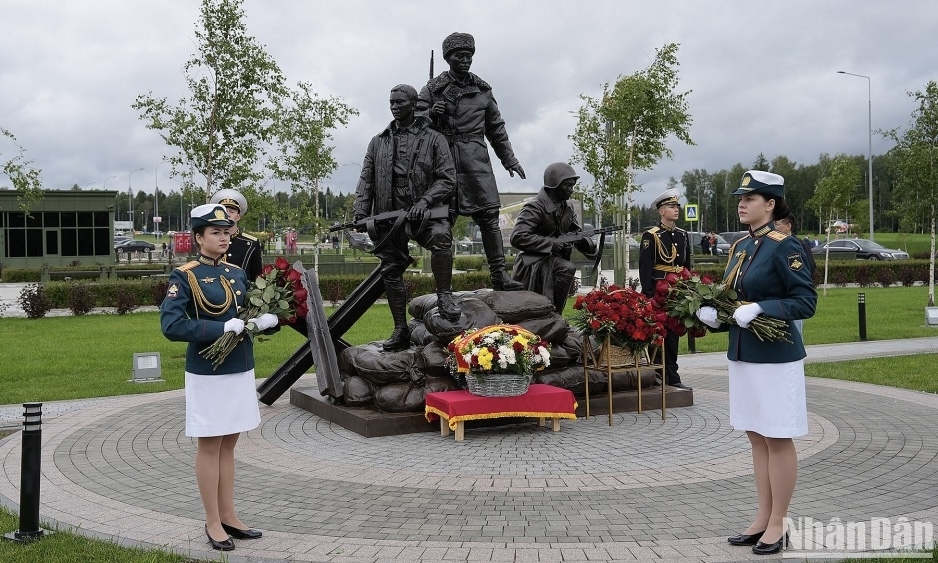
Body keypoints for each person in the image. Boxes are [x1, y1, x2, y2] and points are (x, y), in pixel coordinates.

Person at [696, 171, 817, 556]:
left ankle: (780, 522)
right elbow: (736, 300)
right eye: (740, 198)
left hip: (776, 357)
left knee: (777, 436)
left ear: (771, 204)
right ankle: (763, 516)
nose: (742, 203)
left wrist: (764, 307)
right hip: (746, 355)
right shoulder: (741, 247)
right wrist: (715, 316)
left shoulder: (786, 247)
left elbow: (805, 302)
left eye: (752, 198)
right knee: (756, 434)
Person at [160, 204, 276, 552]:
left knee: (230, 444)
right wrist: (218, 328)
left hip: (239, 367)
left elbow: (244, 314)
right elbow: (172, 326)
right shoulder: (185, 275)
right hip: (208, 373)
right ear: (198, 238)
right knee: (210, 446)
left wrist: (262, 321)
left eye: (227, 232)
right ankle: (212, 521)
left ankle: (229, 515)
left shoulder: (236, 273)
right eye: (215, 232)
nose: (224, 237)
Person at [353, 84, 460, 351]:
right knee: (391, 268)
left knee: (441, 237)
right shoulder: (379, 141)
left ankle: (444, 296)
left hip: (424, 213)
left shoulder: (434, 139)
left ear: (414, 104)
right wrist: (360, 214)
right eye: (391, 102)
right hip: (389, 216)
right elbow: (366, 180)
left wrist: (425, 201)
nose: (393, 106)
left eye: (399, 102)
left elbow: (448, 179)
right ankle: (400, 328)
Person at [418, 32, 525, 292]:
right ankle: (444, 288)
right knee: (443, 224)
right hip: (443, 161)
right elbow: (414, 124)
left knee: (489, 218)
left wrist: (509, 159)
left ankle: (499, 276)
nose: (465, 60)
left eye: (469, 56)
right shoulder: (432, 89)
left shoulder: (483, 90)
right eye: (459, 56)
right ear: (448, 58)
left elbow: (496, 129)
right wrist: (431, 114)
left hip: (476, 160)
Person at [510, 162, 597, 313]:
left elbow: (575, 232)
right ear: (554, 185)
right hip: (532, 265)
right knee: (567, 268)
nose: (571, 189)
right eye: (567, 185)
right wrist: (550, 244)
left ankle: (556, 315)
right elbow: (518, 237)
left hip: (553, 262)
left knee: (566, 269)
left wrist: (587, 244)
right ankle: (553, 315)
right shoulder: (535, 207)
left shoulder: (567, 207)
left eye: (572, 185)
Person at [639, 188, 693, 390]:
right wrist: (648, 295)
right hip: (659, 291)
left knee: (674, 333)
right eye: (671, 206)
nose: (676, 209)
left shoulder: (682, 235)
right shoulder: (651, 235)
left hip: (677, 290)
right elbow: (645, 268)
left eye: (677, 206)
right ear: (661, 211)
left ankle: (671, 374)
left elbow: (687, 265)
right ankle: (661, 373)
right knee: (659, 334)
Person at [210, 189, 263, 281]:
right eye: (224, 211)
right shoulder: (210, 240)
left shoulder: (251, 243)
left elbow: (256, 277)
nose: (228, 214)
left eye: (232, 211)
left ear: (238, 216)